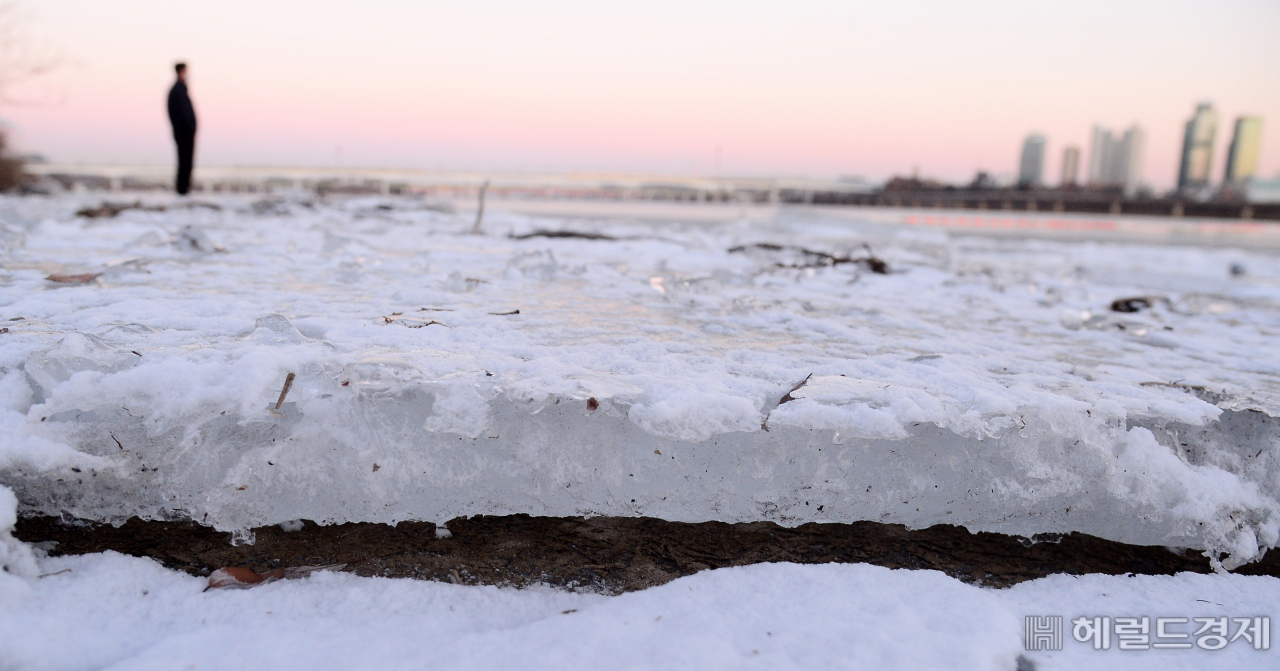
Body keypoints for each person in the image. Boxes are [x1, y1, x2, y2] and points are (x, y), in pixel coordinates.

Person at [167, 62, 197, 195]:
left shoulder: (181, 89)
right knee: (184, 161)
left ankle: (184, 190)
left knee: (186, 161)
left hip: (185, 131)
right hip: (183, 132)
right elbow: (176, 112)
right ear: (180, 71)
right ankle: (182, 191)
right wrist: (184, 128)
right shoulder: (177, 90)